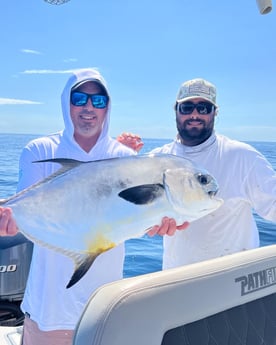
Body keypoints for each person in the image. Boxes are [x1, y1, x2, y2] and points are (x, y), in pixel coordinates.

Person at [0, 68, 182, 345]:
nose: (88, 107)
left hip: (104, 309)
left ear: (108, 107)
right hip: (48, 308)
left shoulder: (124, 156)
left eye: (98, 101)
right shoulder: (40, 150)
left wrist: (161, 222)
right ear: (66, 102)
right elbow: (23, 211)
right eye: (80, 98)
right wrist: (8, 222)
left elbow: (133, 216)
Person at [119, 78, 276, 269]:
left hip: (234, 281)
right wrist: (119, 155)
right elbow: (126, 208)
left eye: (203, 108)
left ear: (215, 113)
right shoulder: (155, 160)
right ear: (175, 110)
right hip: (178, 281)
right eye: (187, 107)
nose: (195, 114)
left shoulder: (242, 156)